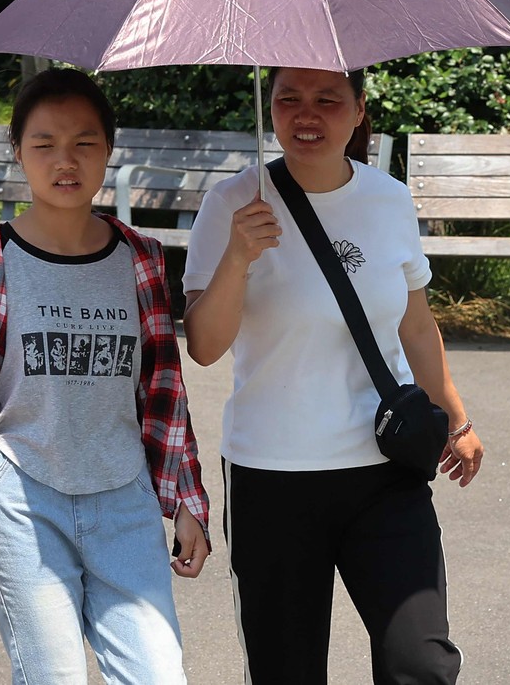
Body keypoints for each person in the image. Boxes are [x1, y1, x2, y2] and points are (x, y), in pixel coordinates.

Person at [182, 67, 483, 685]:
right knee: (286, 671)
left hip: (384, 469)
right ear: (271, 108)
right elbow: (206, 346)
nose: (306, 115)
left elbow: (417, 326)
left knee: (420, 662)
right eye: (288, 99)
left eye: (327, 100)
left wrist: (456, 417)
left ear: (357, 110)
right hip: (272, 476)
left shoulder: (389, 199)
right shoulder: (232, 204)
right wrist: (238, 257)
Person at [0, 68, 209, 684]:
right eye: (44, 143)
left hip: (124, 499)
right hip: (22, 500)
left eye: (85, 143)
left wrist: (186, 499)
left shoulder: (140, 259)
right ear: (18, 151)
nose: (65, 160)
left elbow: (162, 394)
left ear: (109, 150)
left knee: (159, 676)